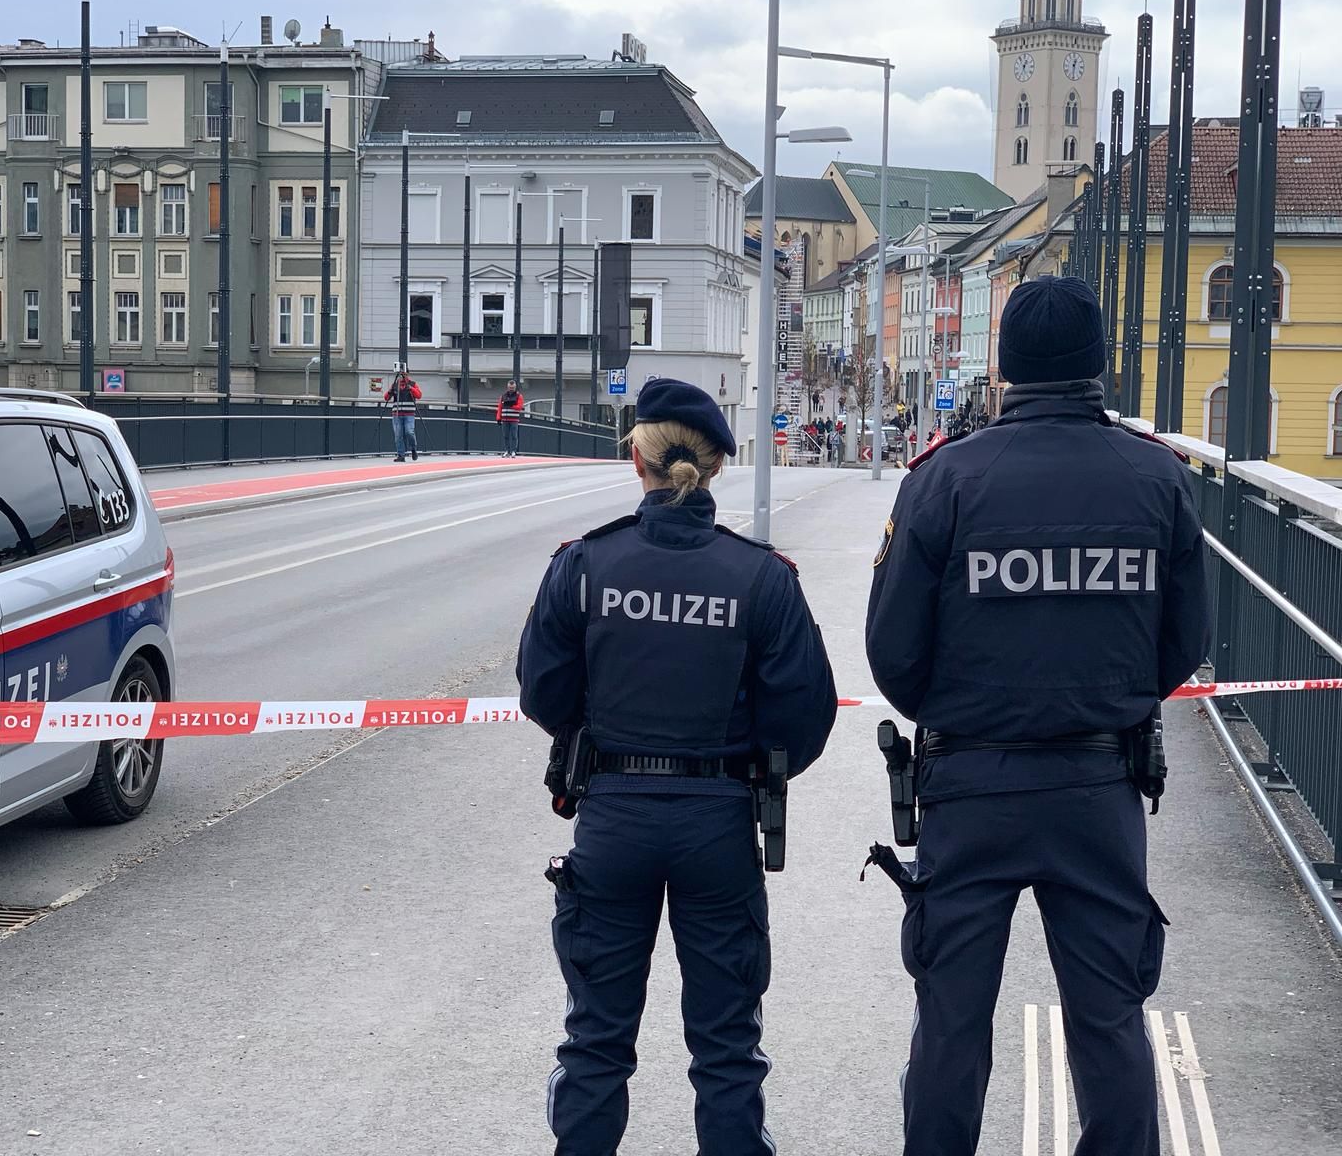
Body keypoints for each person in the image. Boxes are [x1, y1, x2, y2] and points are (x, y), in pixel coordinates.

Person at [865, 276, 1211, 1156]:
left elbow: (894, 653)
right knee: (1108, 1019)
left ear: (1006, 365)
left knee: (950, 1019)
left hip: (970, 781)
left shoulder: (945, 478)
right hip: (1099, 784)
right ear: (1097, 364)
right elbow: (1184, 644)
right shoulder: (1156, 477)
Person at [518, 377, 839, 1156]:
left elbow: (543, 692)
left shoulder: (585, 565)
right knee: (727, 1049)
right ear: (717, 469)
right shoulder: (761, 577)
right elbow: (806, 714)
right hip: (718, 823)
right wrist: (744, 760)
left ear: (638, 460)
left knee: (595, 1042)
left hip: (615, 817)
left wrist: (602, 735)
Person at [383, 369, 422, 462]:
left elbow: (419, 395)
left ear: (407, 374)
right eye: (400, 375)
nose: (402, 376)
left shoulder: (412, 384)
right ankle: (401, 455)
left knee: (409, 432)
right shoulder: (395, 385)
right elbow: (386, 398)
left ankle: (413, 449)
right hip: (397, 414)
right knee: (398, 434)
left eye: (404, 374)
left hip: (409, 414)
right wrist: (390, 391)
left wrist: (411, 388)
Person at [496, 380, 525, 458]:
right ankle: (507, 451)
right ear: (507, 387)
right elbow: (500, 407)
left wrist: (512, 405)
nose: (511, 389)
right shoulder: (503, 396)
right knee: (505, 435)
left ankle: (513, 451)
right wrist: (498, 418)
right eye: (510, 387)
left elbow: (520, 407)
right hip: (505, 419)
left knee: (514, 436)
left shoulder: (519, 396)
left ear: (515, 387)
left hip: (514, 419)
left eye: (512, 387)